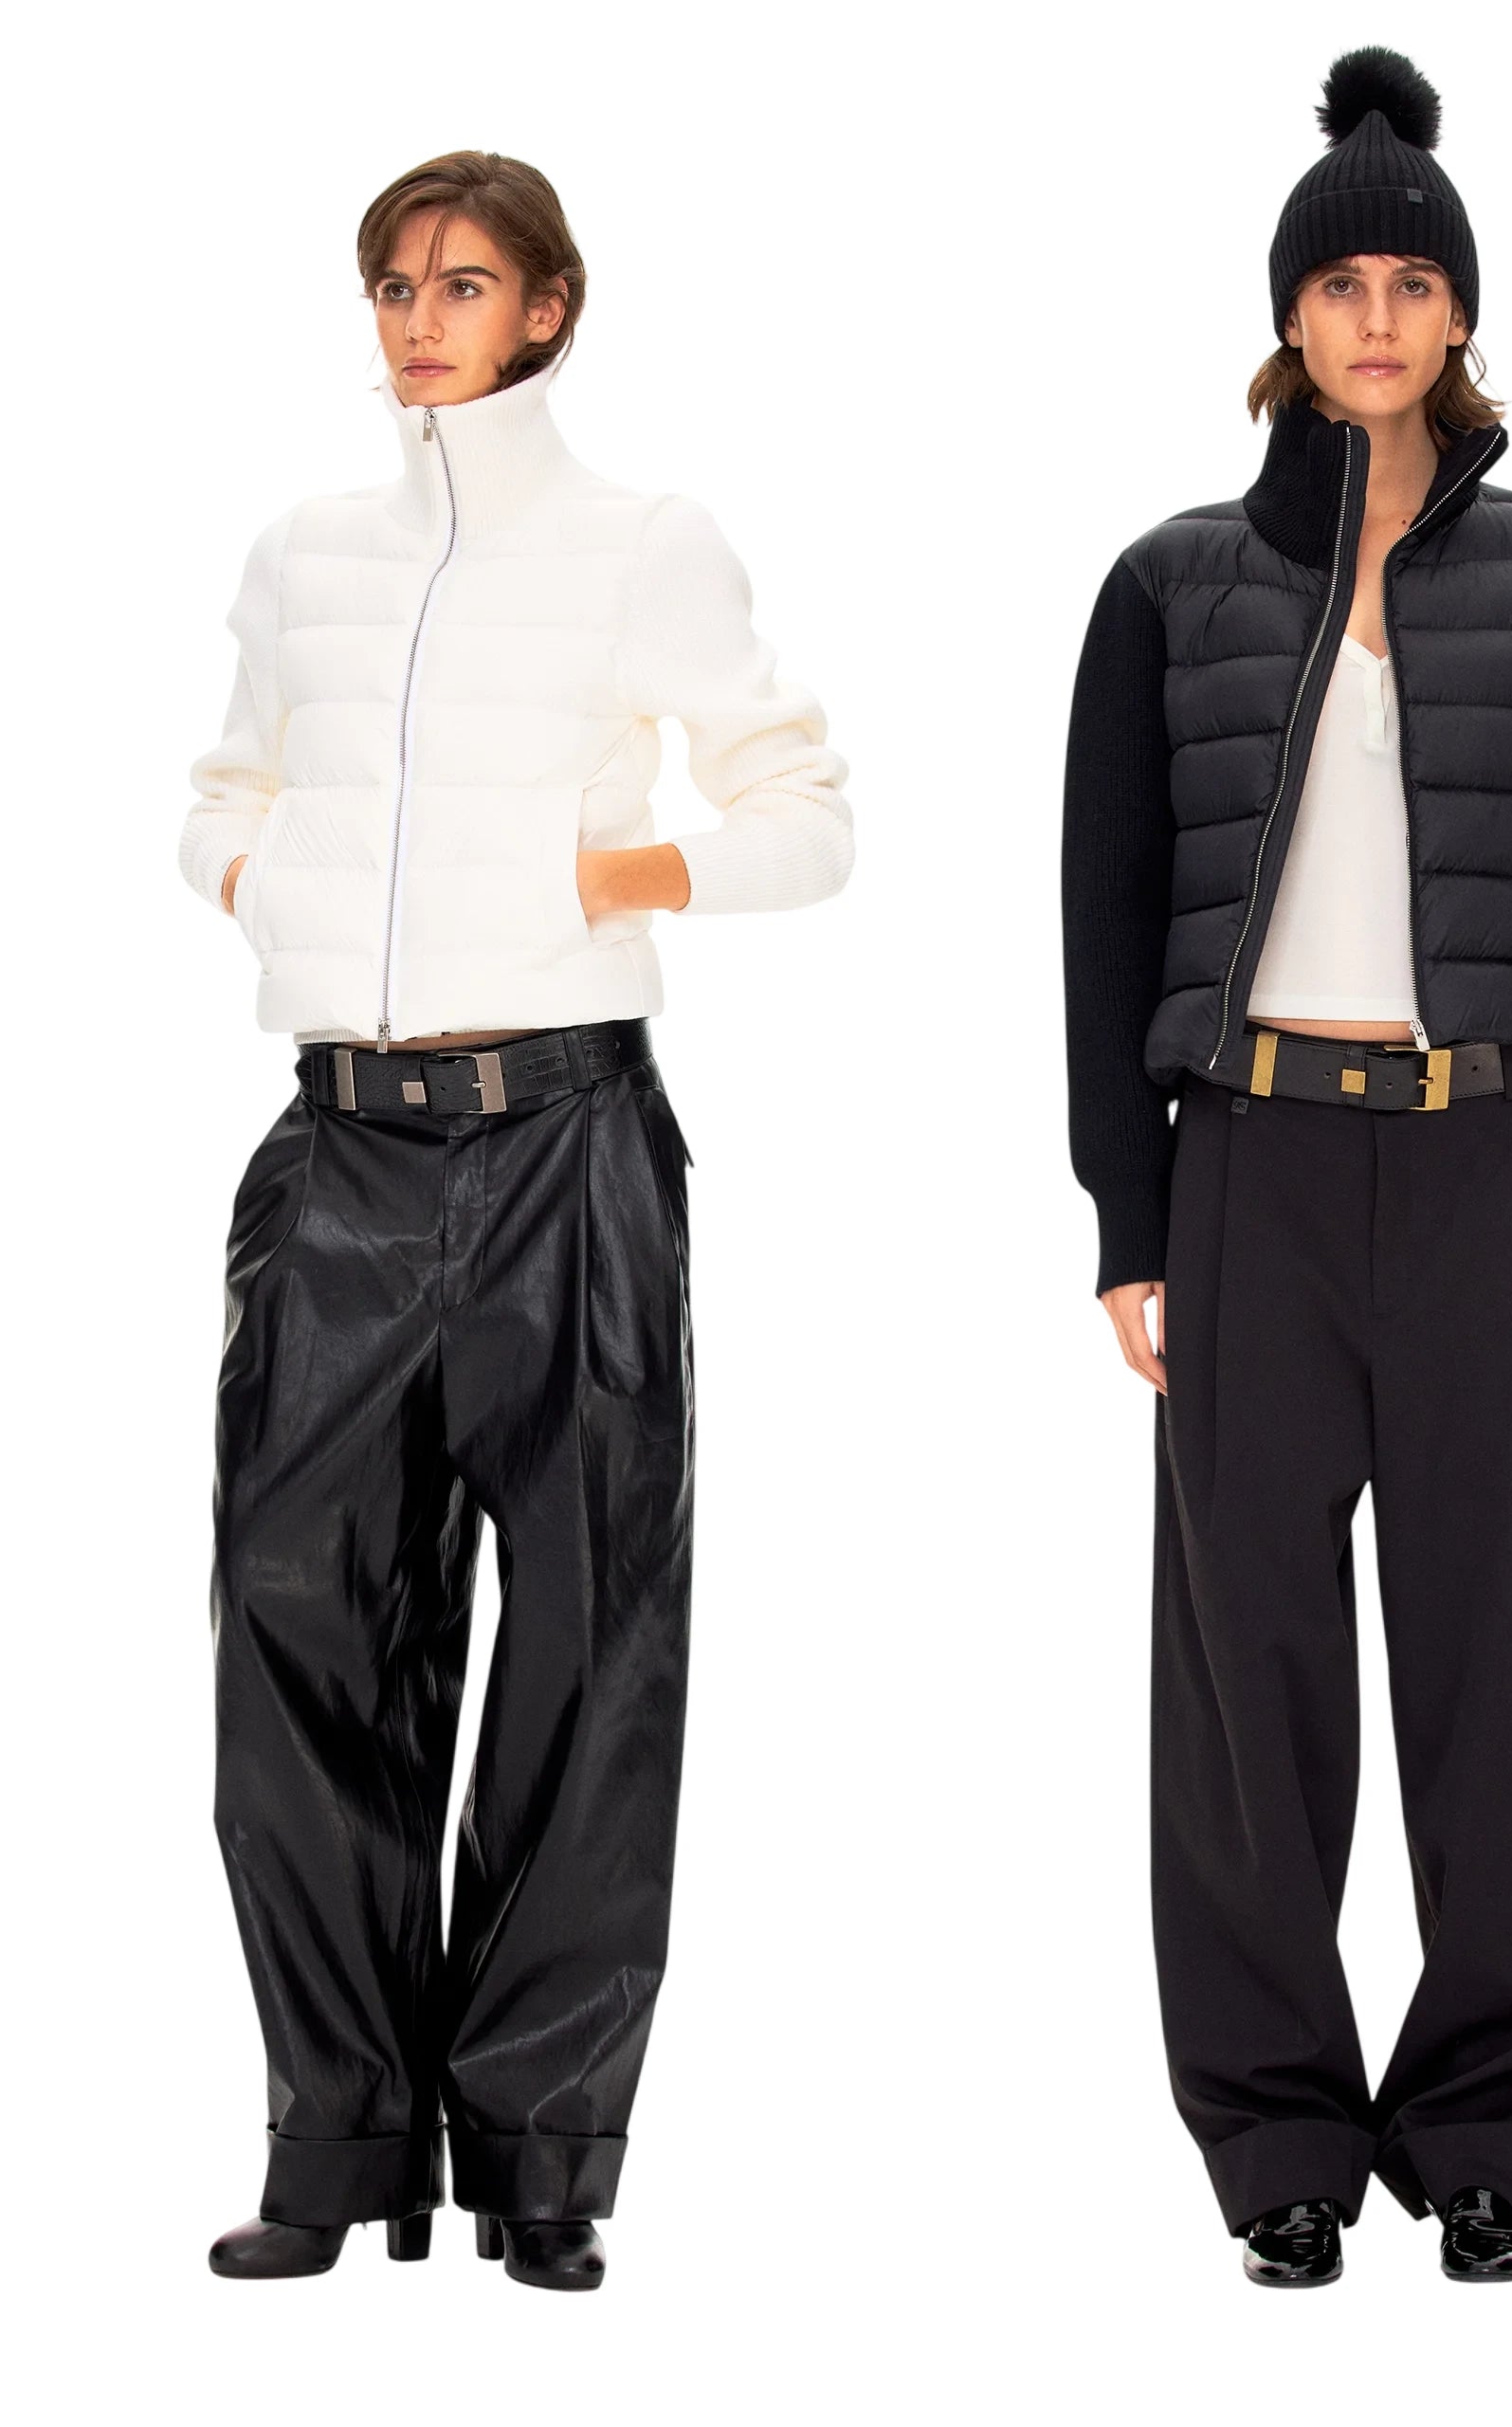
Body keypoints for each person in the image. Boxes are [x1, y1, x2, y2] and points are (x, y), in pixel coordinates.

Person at [181, 151, 853, 2290]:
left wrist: (600, 880)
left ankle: (543, 2152)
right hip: (340, 1157)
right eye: (392, 285)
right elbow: (221, 789)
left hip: (566, 1144)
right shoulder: (305, 552)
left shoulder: (643, 544)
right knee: (296, 1636)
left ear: (548, 306)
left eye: (462, 284)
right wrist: (262, 886)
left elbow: (804, 814)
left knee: (587, 1646)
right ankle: (340, 2136)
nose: (418, 319)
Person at [1061, 47, 1512, 2287]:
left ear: (1460, 314)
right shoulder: (1172, 586)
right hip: (1251, 1169)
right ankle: (1279, 2139)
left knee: (1508, 1664)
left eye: (1416, 283)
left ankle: (1485, 2117)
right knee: (1250, 1675)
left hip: (1498, 1159)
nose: (1382, 319)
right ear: (1292, 317)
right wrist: (1130, 1214)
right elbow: (1104, 910)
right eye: (1345, 284)